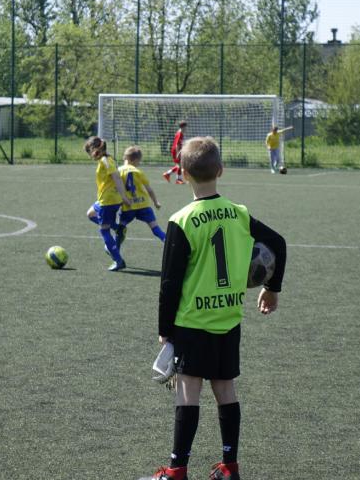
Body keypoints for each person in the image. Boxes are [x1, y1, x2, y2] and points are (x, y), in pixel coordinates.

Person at [143, 136, 287, 480]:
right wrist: (272, 289)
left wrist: (164, 330)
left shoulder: (182, 220)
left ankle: (176, 470)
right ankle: (229, 467)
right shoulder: (239, 213)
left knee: (187, 390)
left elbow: (169, 283)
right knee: (225, 389)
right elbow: (278, 243)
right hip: (228, 318)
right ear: (220, 170)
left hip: (192, 321)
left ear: (182, 174)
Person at [84, 136, 132, 271]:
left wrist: (124, 196)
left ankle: (118, 261)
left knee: (104, 231)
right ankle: (118, 228)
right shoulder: (107, 159)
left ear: (95, 149)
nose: (89, 155)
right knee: (90, 214)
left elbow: (116, 177)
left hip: (108, 201)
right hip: (105, 200)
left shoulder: (105, 161)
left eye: (89, 152)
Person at [116, 145, 166, 247]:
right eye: (139, 161)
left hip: (128, 206)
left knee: (120, 229)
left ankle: (115, 252)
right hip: (143, 205)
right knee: (155, 228)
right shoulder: (138, 172)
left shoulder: (118, 171)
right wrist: (156, 202)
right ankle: (170, 244)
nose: (139, 164)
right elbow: (149, 190)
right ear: (135, 160)